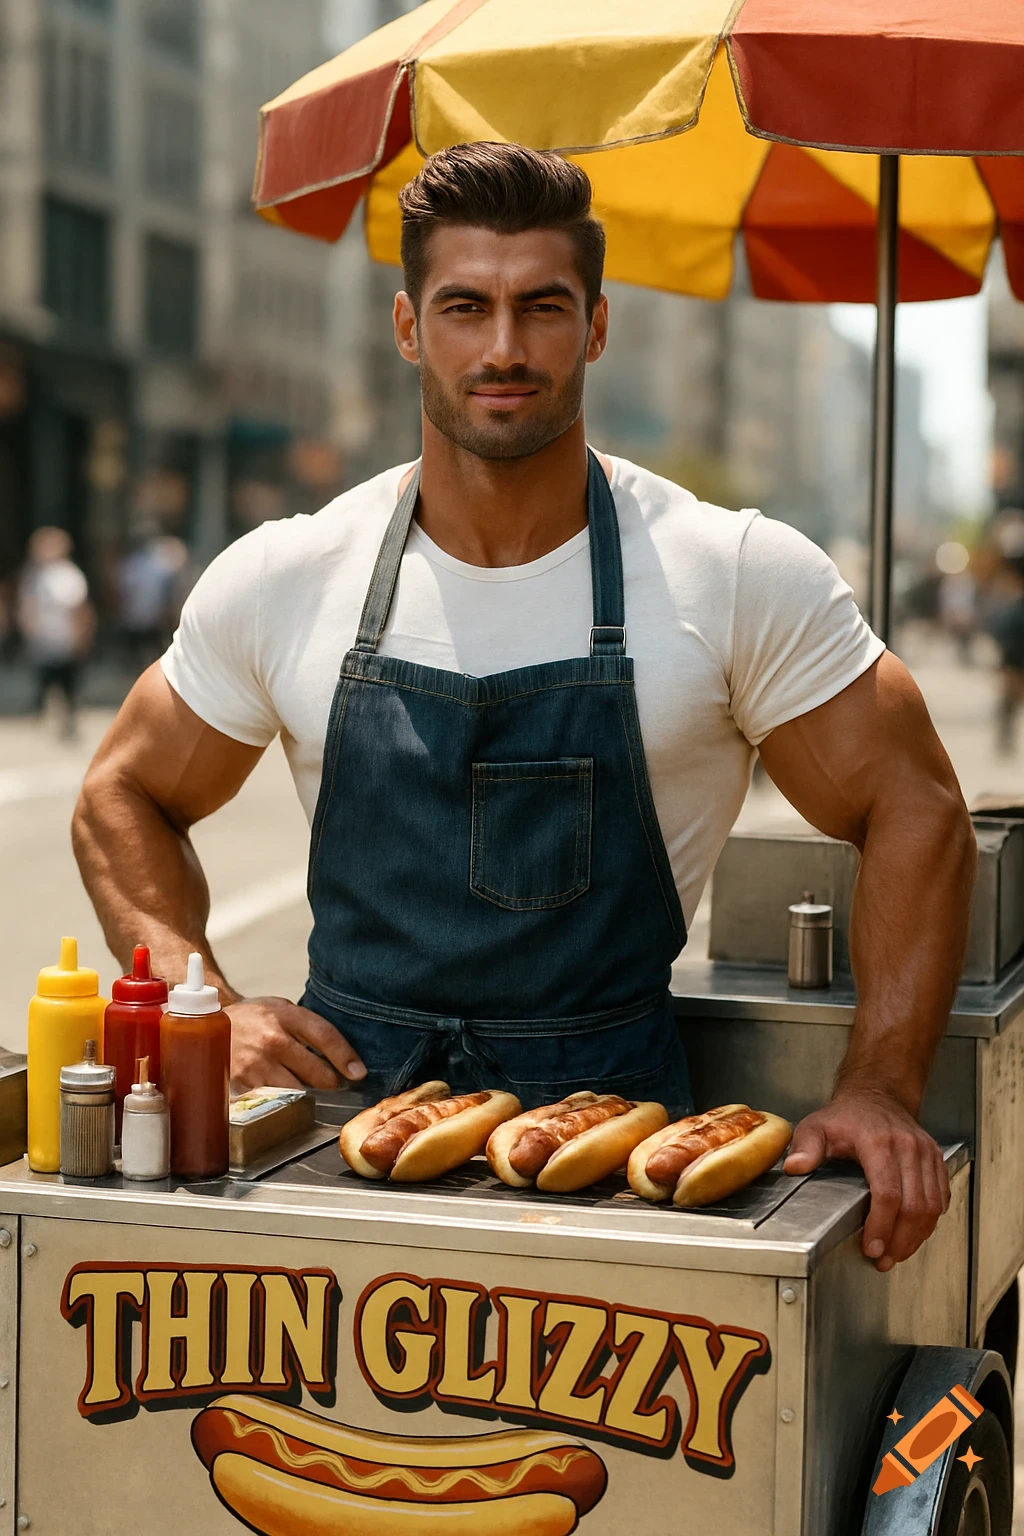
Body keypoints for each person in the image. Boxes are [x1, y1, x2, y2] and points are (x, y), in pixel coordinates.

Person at [74, 144, 975, 1276]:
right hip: (324, 1155)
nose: (502, 348)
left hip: (615, 1166)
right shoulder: (292, 574)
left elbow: (917, 806)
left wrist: (879, 1088)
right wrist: (202, 1001)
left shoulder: (731, 571)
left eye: (541, 308)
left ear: (595, 327)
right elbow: (123, 791)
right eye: (466, 307)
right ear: (409, 328)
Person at [17, 526, 94, 739]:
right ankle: (42, 716)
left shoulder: (69, 575)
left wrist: (80, 636)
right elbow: (28, 605)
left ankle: (69, 721)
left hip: (65, 640)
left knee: (67, 683)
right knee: (43, 680)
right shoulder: (33, 574)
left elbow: (79, 609)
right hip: (43, 640)